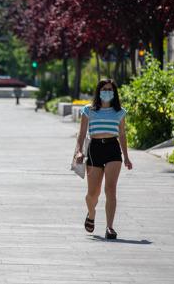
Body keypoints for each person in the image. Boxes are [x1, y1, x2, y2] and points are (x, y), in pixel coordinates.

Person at [74, 79, 132, 240]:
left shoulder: (119, 112)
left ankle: (110, 227)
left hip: (113, 149)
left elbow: (122, 135)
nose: (107, 91)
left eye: (110, 89)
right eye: (104, 89)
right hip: (94, 150)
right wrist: (79, 152)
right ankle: (91, 213)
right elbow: (81, 133)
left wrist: (126, 157)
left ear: (114, 93)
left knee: (111, 189)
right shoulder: (88, 110)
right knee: (93, 194)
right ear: (99, 92)